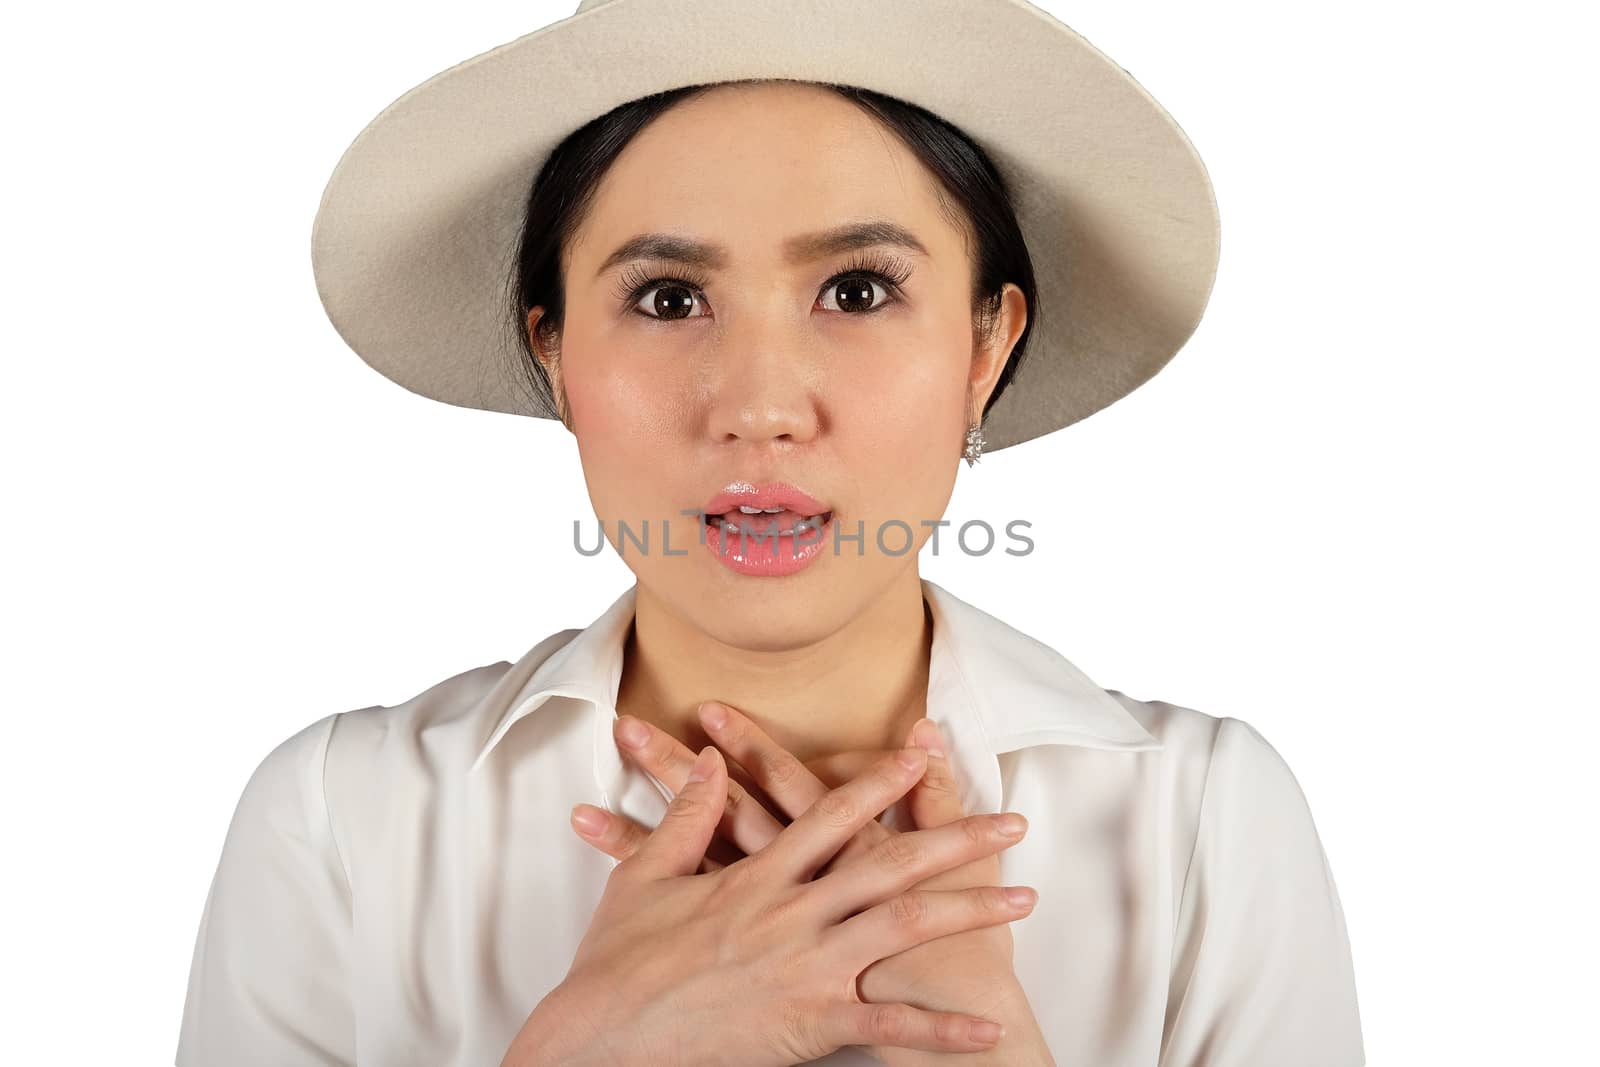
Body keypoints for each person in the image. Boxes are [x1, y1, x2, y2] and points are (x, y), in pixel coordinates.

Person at [177, 2, 1365, 1064]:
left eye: (855, 290)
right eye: (666, 298)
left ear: (987, 346)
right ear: (552, 350)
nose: (756, 405)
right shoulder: (346, 816)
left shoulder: (1200, 820)